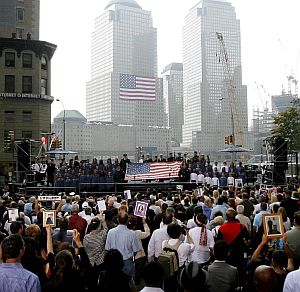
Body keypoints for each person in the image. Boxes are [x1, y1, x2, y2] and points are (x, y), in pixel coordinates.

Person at [105, 211, 141, 277]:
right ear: (127, 220)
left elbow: (107, 248)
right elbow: (135, 250)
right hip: (127, 262)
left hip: (114, 262)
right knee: (128, 284)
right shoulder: (132, 234)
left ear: (117, 219)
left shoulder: (110, 232)